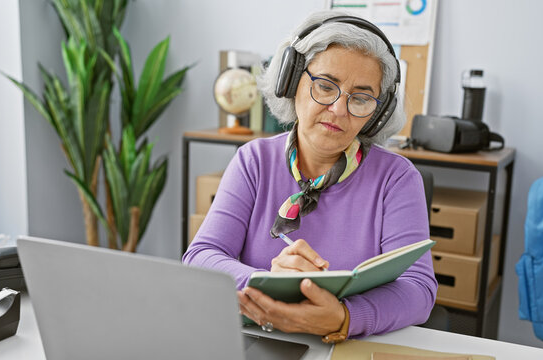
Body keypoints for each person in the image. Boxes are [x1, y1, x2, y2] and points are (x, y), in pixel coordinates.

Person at [183, 10, 437, 343]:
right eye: (325, 85)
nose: (338, 109)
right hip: (257, 340)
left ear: (378, 113)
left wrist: (345, 316)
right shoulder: (253, 161)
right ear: (291, 81)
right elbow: (200, 257)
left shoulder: (398, 179)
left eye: (360, 98)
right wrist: (272, 282)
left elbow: (418, 290)